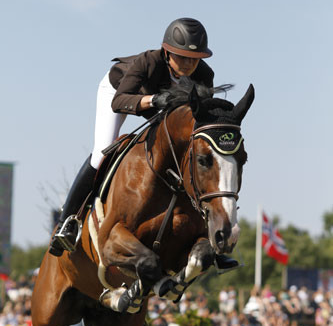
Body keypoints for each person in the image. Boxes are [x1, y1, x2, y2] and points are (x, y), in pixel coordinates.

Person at [49, 17, 238, 270]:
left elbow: (198, 120)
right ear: (167, 52)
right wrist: (152, 100)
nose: (190, 64)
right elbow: (119, 101)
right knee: (101, 153)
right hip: (120, 94)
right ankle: (68, 222)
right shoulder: (148, 62)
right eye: (182, 58)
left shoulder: (205, 75)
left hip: (162, 107)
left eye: (195, 58)